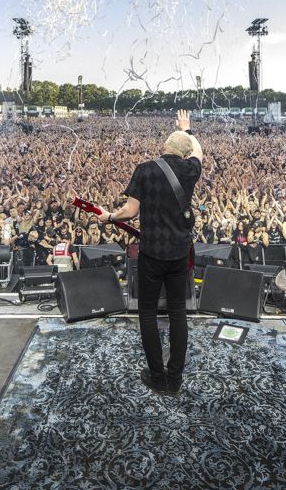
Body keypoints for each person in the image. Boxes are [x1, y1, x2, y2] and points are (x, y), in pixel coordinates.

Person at [96, 110, 202, 395]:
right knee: (178, 312)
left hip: (152, 252)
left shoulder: (145, 169)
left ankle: (157, 377)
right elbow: (199, 152)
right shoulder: (191, 169)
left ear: (164, 147)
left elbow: (129, 212)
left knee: (147, 314)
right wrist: (188, 129)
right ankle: (175, 378)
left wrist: (108, 217)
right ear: (185, 153)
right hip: (179, 252)